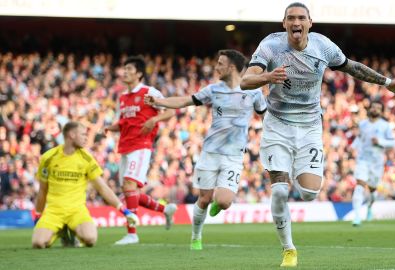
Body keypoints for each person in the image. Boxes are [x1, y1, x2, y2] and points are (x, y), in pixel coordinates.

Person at [240, 2, 395, 267]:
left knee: (309, 192)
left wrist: (387, 83)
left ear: (310, 22)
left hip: (309, 126)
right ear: (283, 23)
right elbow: (245, 81)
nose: (296, 22)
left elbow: (352, 67)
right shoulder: (270, 45)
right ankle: (288, 249)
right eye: (291, 18)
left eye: (301, 18)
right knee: (278, 192)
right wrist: (267, 76)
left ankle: (300, 174)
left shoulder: (324, 47)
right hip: (277, 125)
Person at [144, 49, 267, 251]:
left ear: (232, 67)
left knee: (225, 201)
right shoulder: (213, 90)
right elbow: (184, 101)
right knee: (204, 198)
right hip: (210, 153)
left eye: (220, 64)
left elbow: (265, 116)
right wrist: (159, 101)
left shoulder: (254, 92)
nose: (216, 67)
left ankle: (220, 204)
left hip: (234, 155)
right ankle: (196, 236)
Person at [104, 56, 178, 245]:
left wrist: (154, 119)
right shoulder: (122, 97)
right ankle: (165, 210)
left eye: (129, 69)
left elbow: (170, 111)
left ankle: (132, 233)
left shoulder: (149, 92)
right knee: (129, 192)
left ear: (138, 73)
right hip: (125, 146)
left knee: (129, 186)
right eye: (124, 68)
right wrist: (108, 128)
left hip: (142, 145)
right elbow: (123, 123)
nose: (125, 72)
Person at [32, 122, 139, 249]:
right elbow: (42, 190)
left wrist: (125, 211)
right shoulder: (48, 158)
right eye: (83, 134)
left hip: (77, 211)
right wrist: (38, 214)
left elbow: (102, 188)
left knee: (90, 239)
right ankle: (62, 232)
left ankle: (71, 232)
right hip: (54, 211)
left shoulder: (86, 158)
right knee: (38, 243)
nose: (86, 138)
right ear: (71, 135)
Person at [351, 101, 395, 226]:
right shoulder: (362, 124)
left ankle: (369, 208)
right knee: (359, 184)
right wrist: (353, 147)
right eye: (374, 107)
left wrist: (380, 141)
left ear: (381, 112)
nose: (375, 109)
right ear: (369, 109)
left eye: (378, 108)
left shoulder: (385, 125)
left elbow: (392, 143)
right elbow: (359, 138)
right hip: (363, 159)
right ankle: (357, 217)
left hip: (377, 162)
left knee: (372, 189)